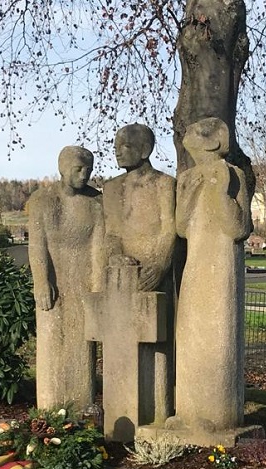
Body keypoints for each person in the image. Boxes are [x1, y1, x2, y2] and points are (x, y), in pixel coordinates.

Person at [173, 117, 252, 430]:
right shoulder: (187, 178)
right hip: (196, 266)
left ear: (211, 142)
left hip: (221, 267)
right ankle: (188, 412)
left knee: (218, 335)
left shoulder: (233, 175)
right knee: (190, 331)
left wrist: (222, 192)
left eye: (192, 134)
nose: (187, 138)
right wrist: (191, 193)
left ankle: (217, 414)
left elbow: (239, 228)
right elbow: (181, 228)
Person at [102, 124, 176, 424]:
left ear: (144, 150)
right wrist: (116, 255)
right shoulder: (112, 188)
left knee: (157, 345)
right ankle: (122, 411)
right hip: (122, 275)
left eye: (125, 145)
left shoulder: (164, 185)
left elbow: (169, 229)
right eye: (116, 144)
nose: (118, 150)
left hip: (156, 272)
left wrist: (159, 263)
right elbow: (112, 233)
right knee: (121, 340)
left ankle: (158, 412)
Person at [28, 146, 105, 409]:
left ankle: (81, 406)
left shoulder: (96, 202)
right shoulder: (43, 201)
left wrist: (97, 289)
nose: (85, 175)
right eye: (78, 169)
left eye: (89, 170)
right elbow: (37, 245)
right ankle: (49, 410)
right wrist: (40, 280)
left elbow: (99, 246)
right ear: (62, 168)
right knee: (51, 344)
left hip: (84, 282)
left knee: (81, 345)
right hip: (53, 282)